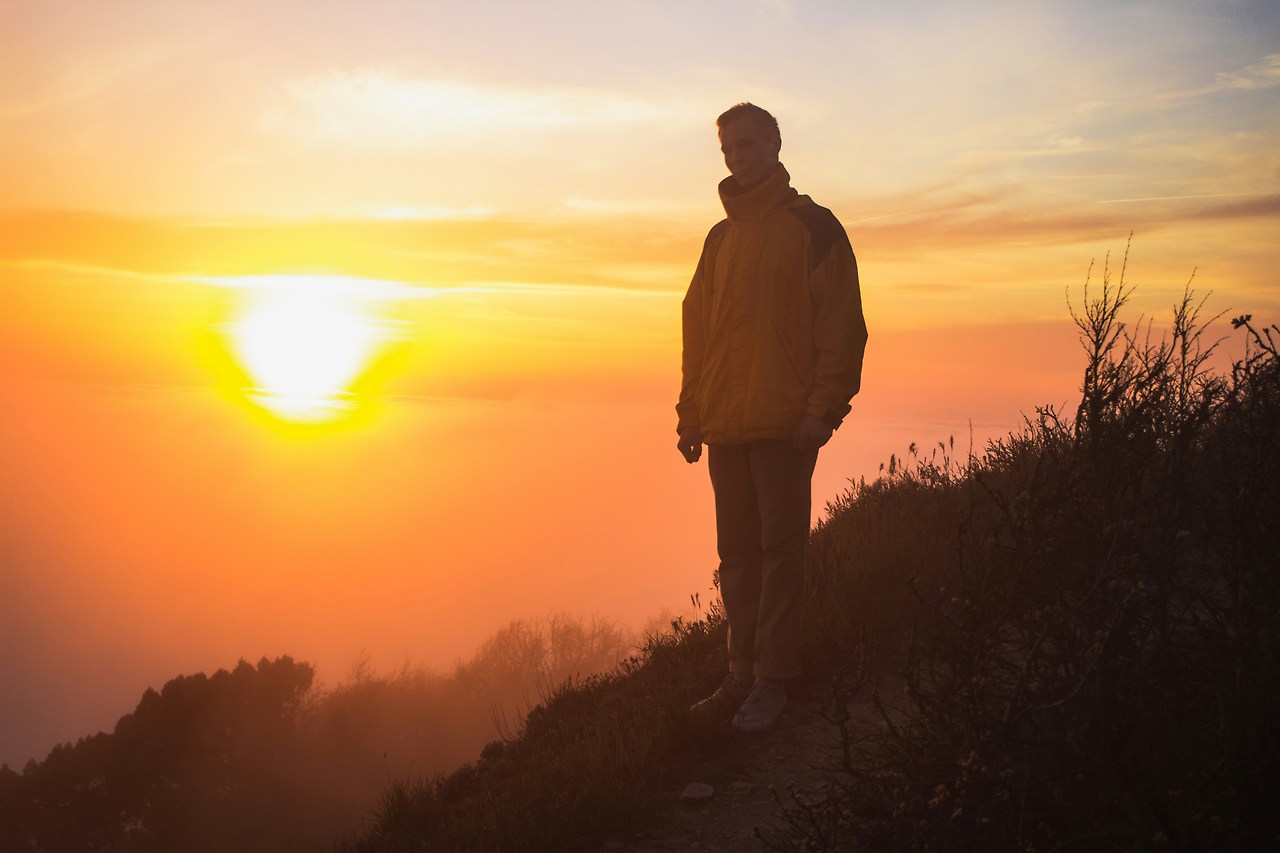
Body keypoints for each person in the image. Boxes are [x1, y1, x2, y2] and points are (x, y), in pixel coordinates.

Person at [677, 103, 868, 733]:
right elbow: (697, 328)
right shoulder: (720, 238)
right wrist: (691, 413)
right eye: (729, 148)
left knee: (781, 553)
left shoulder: (813, 227)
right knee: (736, 555)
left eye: (748, 144)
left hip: (787, 426)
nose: (737, 156)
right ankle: (741, 673)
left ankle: (773, 682)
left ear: (775, 145)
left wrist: (822, 411)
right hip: (726, 426)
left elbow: (842, 327)